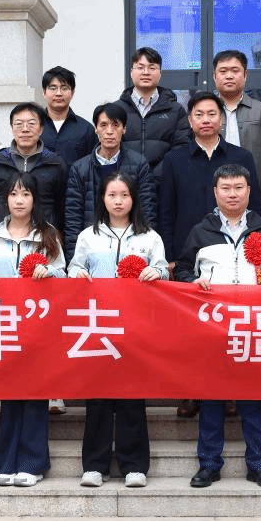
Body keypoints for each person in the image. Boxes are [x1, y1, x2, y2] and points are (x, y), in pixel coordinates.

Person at [174, 164, 261, 490]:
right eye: (226, 188)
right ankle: (208, 464)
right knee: (211, 397)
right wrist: (193, 282)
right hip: (214, 328)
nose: (232, 194)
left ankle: (259, 464)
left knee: (254, 399)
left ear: (249, 191)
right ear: (215, 192)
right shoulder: (201, 231)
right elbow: (183, 270)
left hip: (254, 327)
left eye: (238, 188)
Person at [68, 172, 168, 489]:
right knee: (97, 397)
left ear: (134, 199)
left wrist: (156, 271)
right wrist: (77, 274)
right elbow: (74, 268)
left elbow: (163, 269)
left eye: (124, 195)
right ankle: (95, 465)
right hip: (98, 325)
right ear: (102, 199)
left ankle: (134, 465)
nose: (118, 201)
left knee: (131, 396)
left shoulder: (149, 237)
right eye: (112, 195)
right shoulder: (89, 236)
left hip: (135, 326)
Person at [0, 172, 67, 484]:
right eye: (14, 194)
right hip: (4, 325)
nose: (19, 200)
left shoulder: (48, 235)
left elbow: (64, 274)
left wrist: (49, 272)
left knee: (35, 394)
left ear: (35, 199)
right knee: (8, 394)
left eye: (26, 194)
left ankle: (32, 465)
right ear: (6, 200)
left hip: (38, 327)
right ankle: (5, 464)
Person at [158, 91, 261, 264]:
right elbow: (166, 212)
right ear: (190, 121)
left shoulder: (242, 157)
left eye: (212, 114)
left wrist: (254, 249)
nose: (205, 120)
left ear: (221, 119)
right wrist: (169, 257)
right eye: (199, 115)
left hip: (234, 250)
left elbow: (254, 207)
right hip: (185, 251)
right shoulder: (174, 159)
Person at [64, 102, 157, 257]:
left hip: (130, 247)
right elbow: (73, 218)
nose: (109, 131)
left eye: (115, 125)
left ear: (124, 129)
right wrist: (74, 259)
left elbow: (147, 212)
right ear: (96, 129)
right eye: (103, 125)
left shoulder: (139, 164)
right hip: (92, 246)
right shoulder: (80, 168)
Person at [0, 102, 68, 235]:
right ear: (12, 128)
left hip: (44, 237)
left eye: (31, 124)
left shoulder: (55, 164)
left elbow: (61, 207)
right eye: (19, 124)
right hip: (4, 236)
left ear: (41, 129)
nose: (25, 129)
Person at [212, 50, 261, 201]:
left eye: (235, 70)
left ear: (245, 75)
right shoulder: (205, 113)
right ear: (214, 76)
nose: (229, 76)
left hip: (254, 193)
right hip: (213, 193)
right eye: (223, 71)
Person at [114, 46, 191, 171]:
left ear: (160, 73)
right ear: (131, 72)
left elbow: (181, 147)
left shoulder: (176, 110)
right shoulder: (116, 110)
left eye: (152, 68)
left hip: (164, 179)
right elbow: (110, 147)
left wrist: (158, 175)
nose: (146, 72)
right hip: (126, 180)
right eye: (140, 67)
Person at [39, 65, 97, 168]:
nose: (58, 93)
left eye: (64, 88)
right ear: (44, 92)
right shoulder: (33, 126)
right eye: (53, 88)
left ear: (72, 93)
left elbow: (92, 166)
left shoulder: (86, 129)